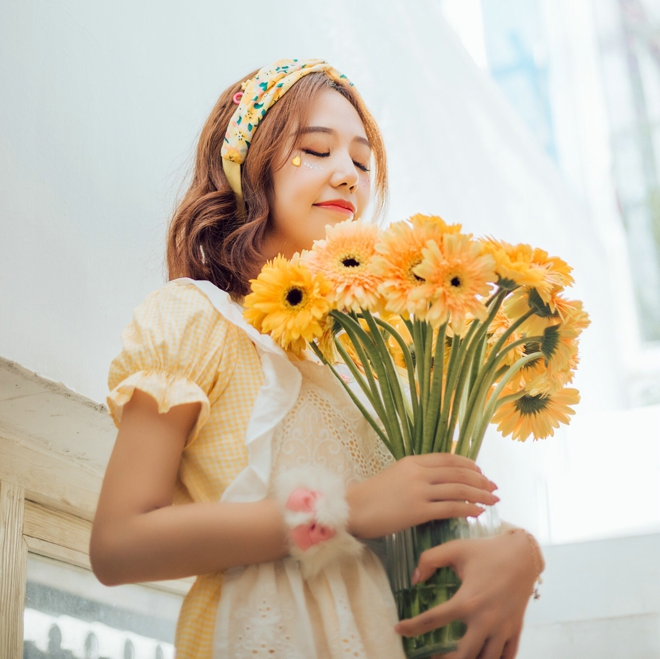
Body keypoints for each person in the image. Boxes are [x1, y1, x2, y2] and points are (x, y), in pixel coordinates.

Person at [90, 58, 542, 659]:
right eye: (316, 150)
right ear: (247, 167)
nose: (348, 176)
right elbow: (118, 544)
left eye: (362, 161)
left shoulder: (382, 356)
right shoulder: (195, 321)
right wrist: (347, 511)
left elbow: (424, 520)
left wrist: (518, 555)